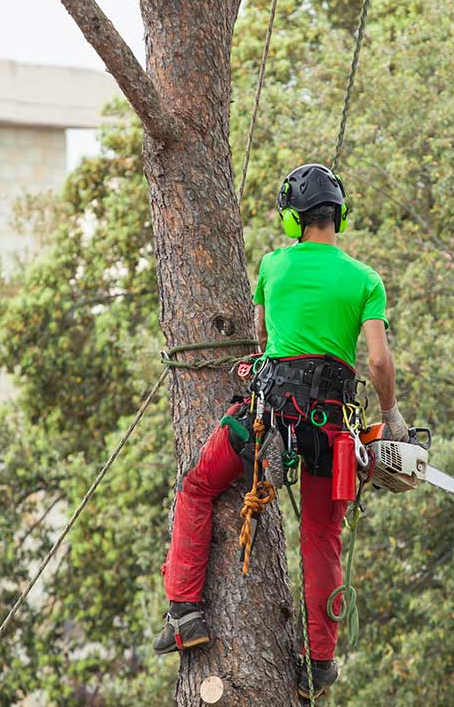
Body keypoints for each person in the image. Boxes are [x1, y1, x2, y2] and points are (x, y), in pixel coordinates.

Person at [154, 163, 409, 699]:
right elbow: (380, 361)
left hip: (265, 417)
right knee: (321, 538)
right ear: (338, 214)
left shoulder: (273, 264)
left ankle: (184, 612)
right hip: (331, 431)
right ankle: (319, 662)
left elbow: (264, 338)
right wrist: (393, 411)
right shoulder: (365, 280)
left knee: (197, 485)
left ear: (294, 217)